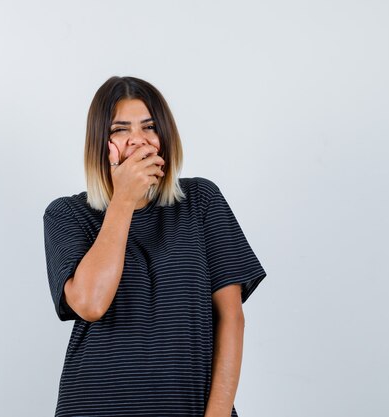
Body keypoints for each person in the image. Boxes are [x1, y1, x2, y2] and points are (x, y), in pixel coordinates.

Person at [43, 76, 267, 417]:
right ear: (100, 143)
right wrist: (123, 201)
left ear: (164, 136)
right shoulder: (66, 215)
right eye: (120, 129)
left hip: (190, 406)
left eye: (149, 126)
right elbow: (90, 303)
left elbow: (231, 317)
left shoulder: (201, 201)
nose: (137, 139)